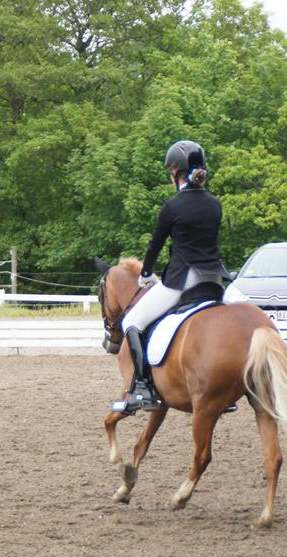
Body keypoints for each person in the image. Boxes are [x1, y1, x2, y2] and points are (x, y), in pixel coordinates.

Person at [113, 140, 232, 414]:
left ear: (174, 172)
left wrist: (145, 273)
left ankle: (142, 388)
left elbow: (154, 245)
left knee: (132, 321)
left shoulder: (173, 206)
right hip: (213, 281)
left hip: (183, 280)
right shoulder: (215, 205)